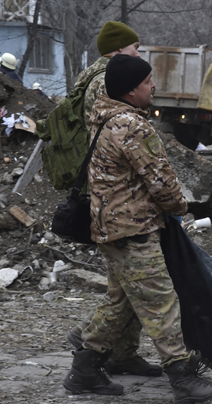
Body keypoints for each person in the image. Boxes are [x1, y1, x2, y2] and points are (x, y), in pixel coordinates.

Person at [62, 54, 212, 404]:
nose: (153, 86)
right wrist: (179, 210)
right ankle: (182, 377)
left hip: (112, 228)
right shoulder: (131, 125)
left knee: (121, 303)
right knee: (161, 301)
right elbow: (160, 180)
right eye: (147, 82)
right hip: (132, 229)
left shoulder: (104, 118)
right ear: (130, 90)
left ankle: (85, 369)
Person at [64, 21, 161, 379]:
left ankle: (119, 352)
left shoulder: (98, 77)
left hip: (113, 198)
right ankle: (94, 345)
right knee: (134, 283)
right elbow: (116, 142)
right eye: (136, 49)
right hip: (117, 201)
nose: (140, 55)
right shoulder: (106, 82)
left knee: (126, 285)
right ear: (120, 50)